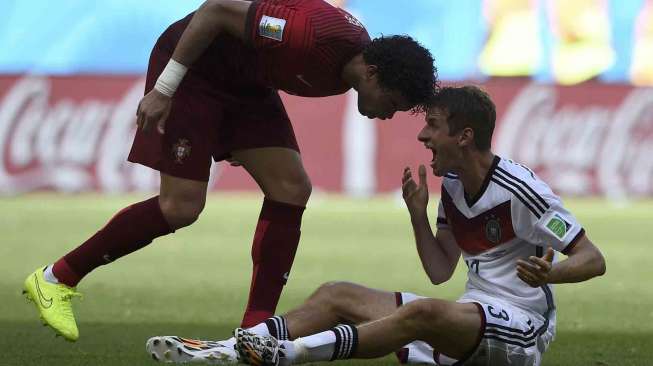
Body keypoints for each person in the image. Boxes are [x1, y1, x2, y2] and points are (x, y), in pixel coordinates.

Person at [22, 0, 437, 342]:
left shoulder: (346, 71)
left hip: (245, 86)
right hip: (197, 73)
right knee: (181, 207)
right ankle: (56, 278)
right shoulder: (306, 37)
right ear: (373, 74)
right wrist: (164, 89)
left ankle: (256, 329)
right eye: (393, 103)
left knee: (291, 187)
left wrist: (237, 138)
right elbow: (217, 11)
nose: (388, 115)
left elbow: (268, 65)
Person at [144, 86, 606, 365]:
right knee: (336, 293)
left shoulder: (520, 189)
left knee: (422, 315)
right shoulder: (452, 186)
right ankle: (228, 350)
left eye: (434, 126)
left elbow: (592, 259)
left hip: (522, 330)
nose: (423, 135)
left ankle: (285, 355)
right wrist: (418, 217)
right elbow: (440, 270)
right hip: (473, 315)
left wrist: (554, 273)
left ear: (464, 137)